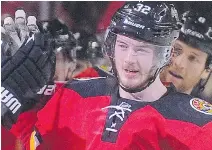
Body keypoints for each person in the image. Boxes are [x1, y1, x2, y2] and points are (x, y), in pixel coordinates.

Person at [2, 2, 212, 150]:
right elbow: (33, 139)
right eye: (123, 45)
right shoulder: (72, 95)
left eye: (142, 50)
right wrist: (15, 96)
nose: (129, 59)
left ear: (166, 54)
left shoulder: (201, 124)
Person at [160, 9, 212, 100]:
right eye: (176, 50)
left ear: (206, 71)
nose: (179, 64)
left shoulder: (203, 114)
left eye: (193, 58)